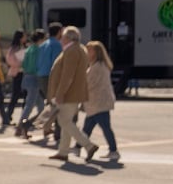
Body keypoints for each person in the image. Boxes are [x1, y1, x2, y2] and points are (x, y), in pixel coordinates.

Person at [45, 24, 97, 163]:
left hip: (69, 94)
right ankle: (63, 152)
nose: (61, 39)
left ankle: (88, 145)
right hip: (74, 92)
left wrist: (60, 93)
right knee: (66, 122)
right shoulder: (77, 49)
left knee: (64, 121)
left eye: (63, 37)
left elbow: (68, 76)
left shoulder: (72, 51)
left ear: (68, 38)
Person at [83, 40, 120, 161]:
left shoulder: (97, 67)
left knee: (104, 127)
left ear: (96, 52)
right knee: (88, 127)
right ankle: (79, 146)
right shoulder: (99, 65)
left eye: (89, 50)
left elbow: (89, 83)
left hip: (98, 102)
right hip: (97, 102)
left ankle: (113, 150)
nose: (87, 52)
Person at [16, 29, 46, 138]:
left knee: (41, 105)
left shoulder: (28, 49)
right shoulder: (39, 50)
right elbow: (37, 65)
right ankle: (21, 126)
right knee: (30, 104)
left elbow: (23, 64)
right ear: (41, 39)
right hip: (34, 78)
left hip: (26, 77)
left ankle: (45, 126)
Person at [2, 29, 26, 125]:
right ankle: (10, 116)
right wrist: (21, 63)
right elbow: (14, 61)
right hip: (18, 73)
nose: (26, 38)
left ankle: (15, 116)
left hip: (19, 72)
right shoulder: (16, 48)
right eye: (24, 36)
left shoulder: (17, 47)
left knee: (21, 95)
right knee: (17, 95)